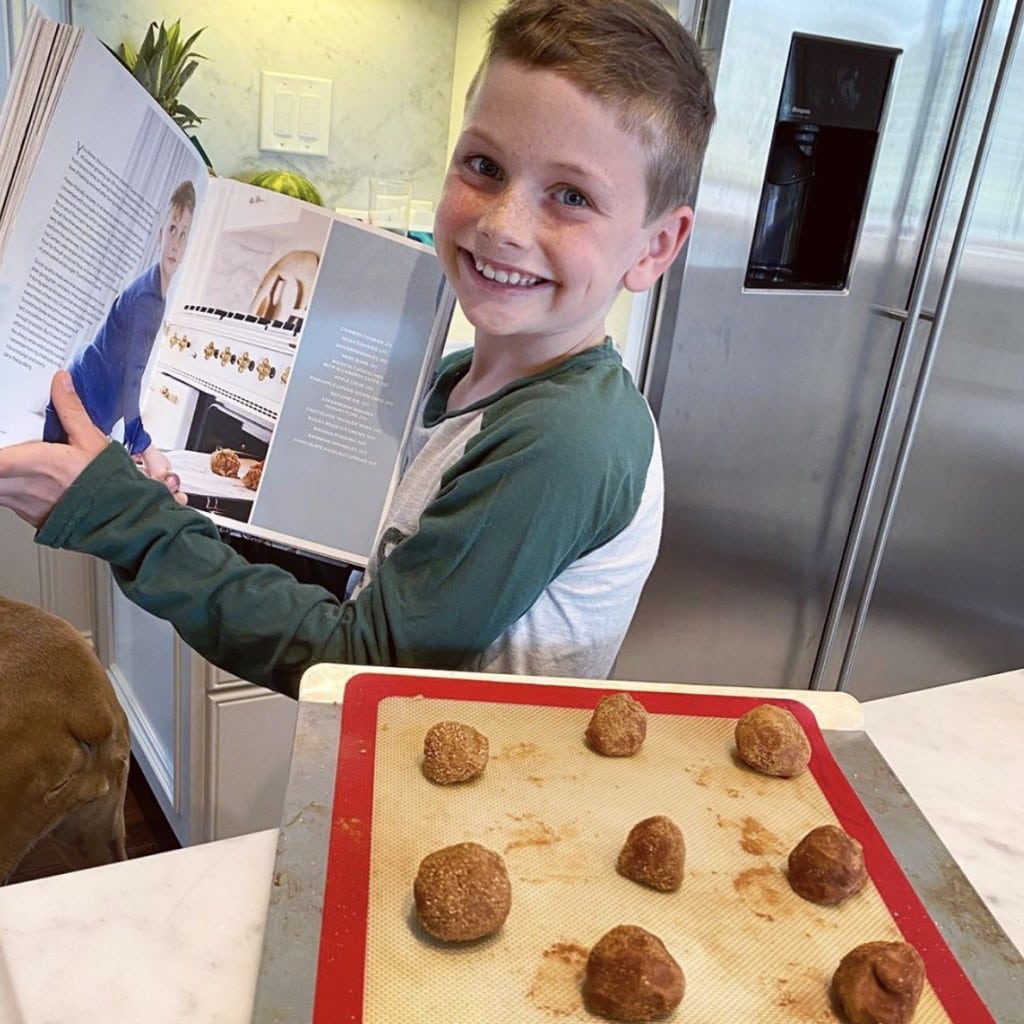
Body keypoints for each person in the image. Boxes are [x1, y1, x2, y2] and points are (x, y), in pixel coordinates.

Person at [0, 0, 715, 697]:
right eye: (484, 167)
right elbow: (365, 582)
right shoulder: (459, 379)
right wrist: (176, 514)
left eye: (571, 197)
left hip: (453, 812)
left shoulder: (568, 439)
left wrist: (131, 521)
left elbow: (368, 665)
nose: (503, 226)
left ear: (656, 246)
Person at [42, 179, 196, 484]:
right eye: (173, 230)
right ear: (160, 235)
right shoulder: (146, 298)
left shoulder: (158, 292)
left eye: (184, 234)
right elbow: (132, 378)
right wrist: (145, 446)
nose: (176, 242)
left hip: (93, 406)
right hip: (80, 402)